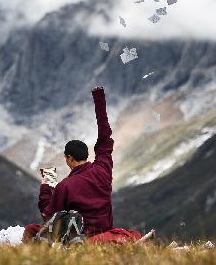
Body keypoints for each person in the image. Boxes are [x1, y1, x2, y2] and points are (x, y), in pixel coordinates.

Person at [23, 86, 142, 243]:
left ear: (70, 158)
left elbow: (49, 216)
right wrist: (99, 98)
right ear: (86, 155)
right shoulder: (103, 170)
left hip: (79, 239)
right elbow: (105, 138)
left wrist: (46, 187)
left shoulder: (64, 186)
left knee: (31, 229)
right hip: (105, 233)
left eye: (66, 158)